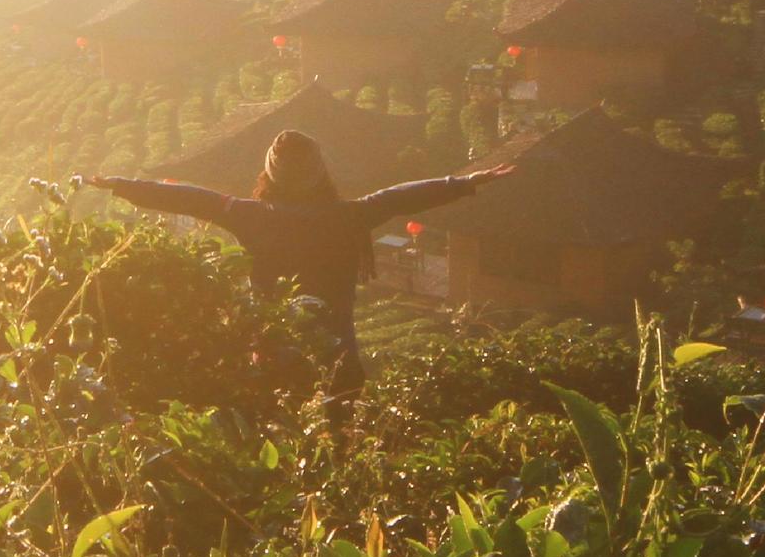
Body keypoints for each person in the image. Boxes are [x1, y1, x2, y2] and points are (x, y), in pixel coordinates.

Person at [83, 129, 514, 382]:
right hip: (339, 359)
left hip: (269, 356)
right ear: (321, 173)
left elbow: (190, 200)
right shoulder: (350, 217)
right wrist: (465, 182)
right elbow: (400, 198)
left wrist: (122, 184)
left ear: (268, 174)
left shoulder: (249, 216)